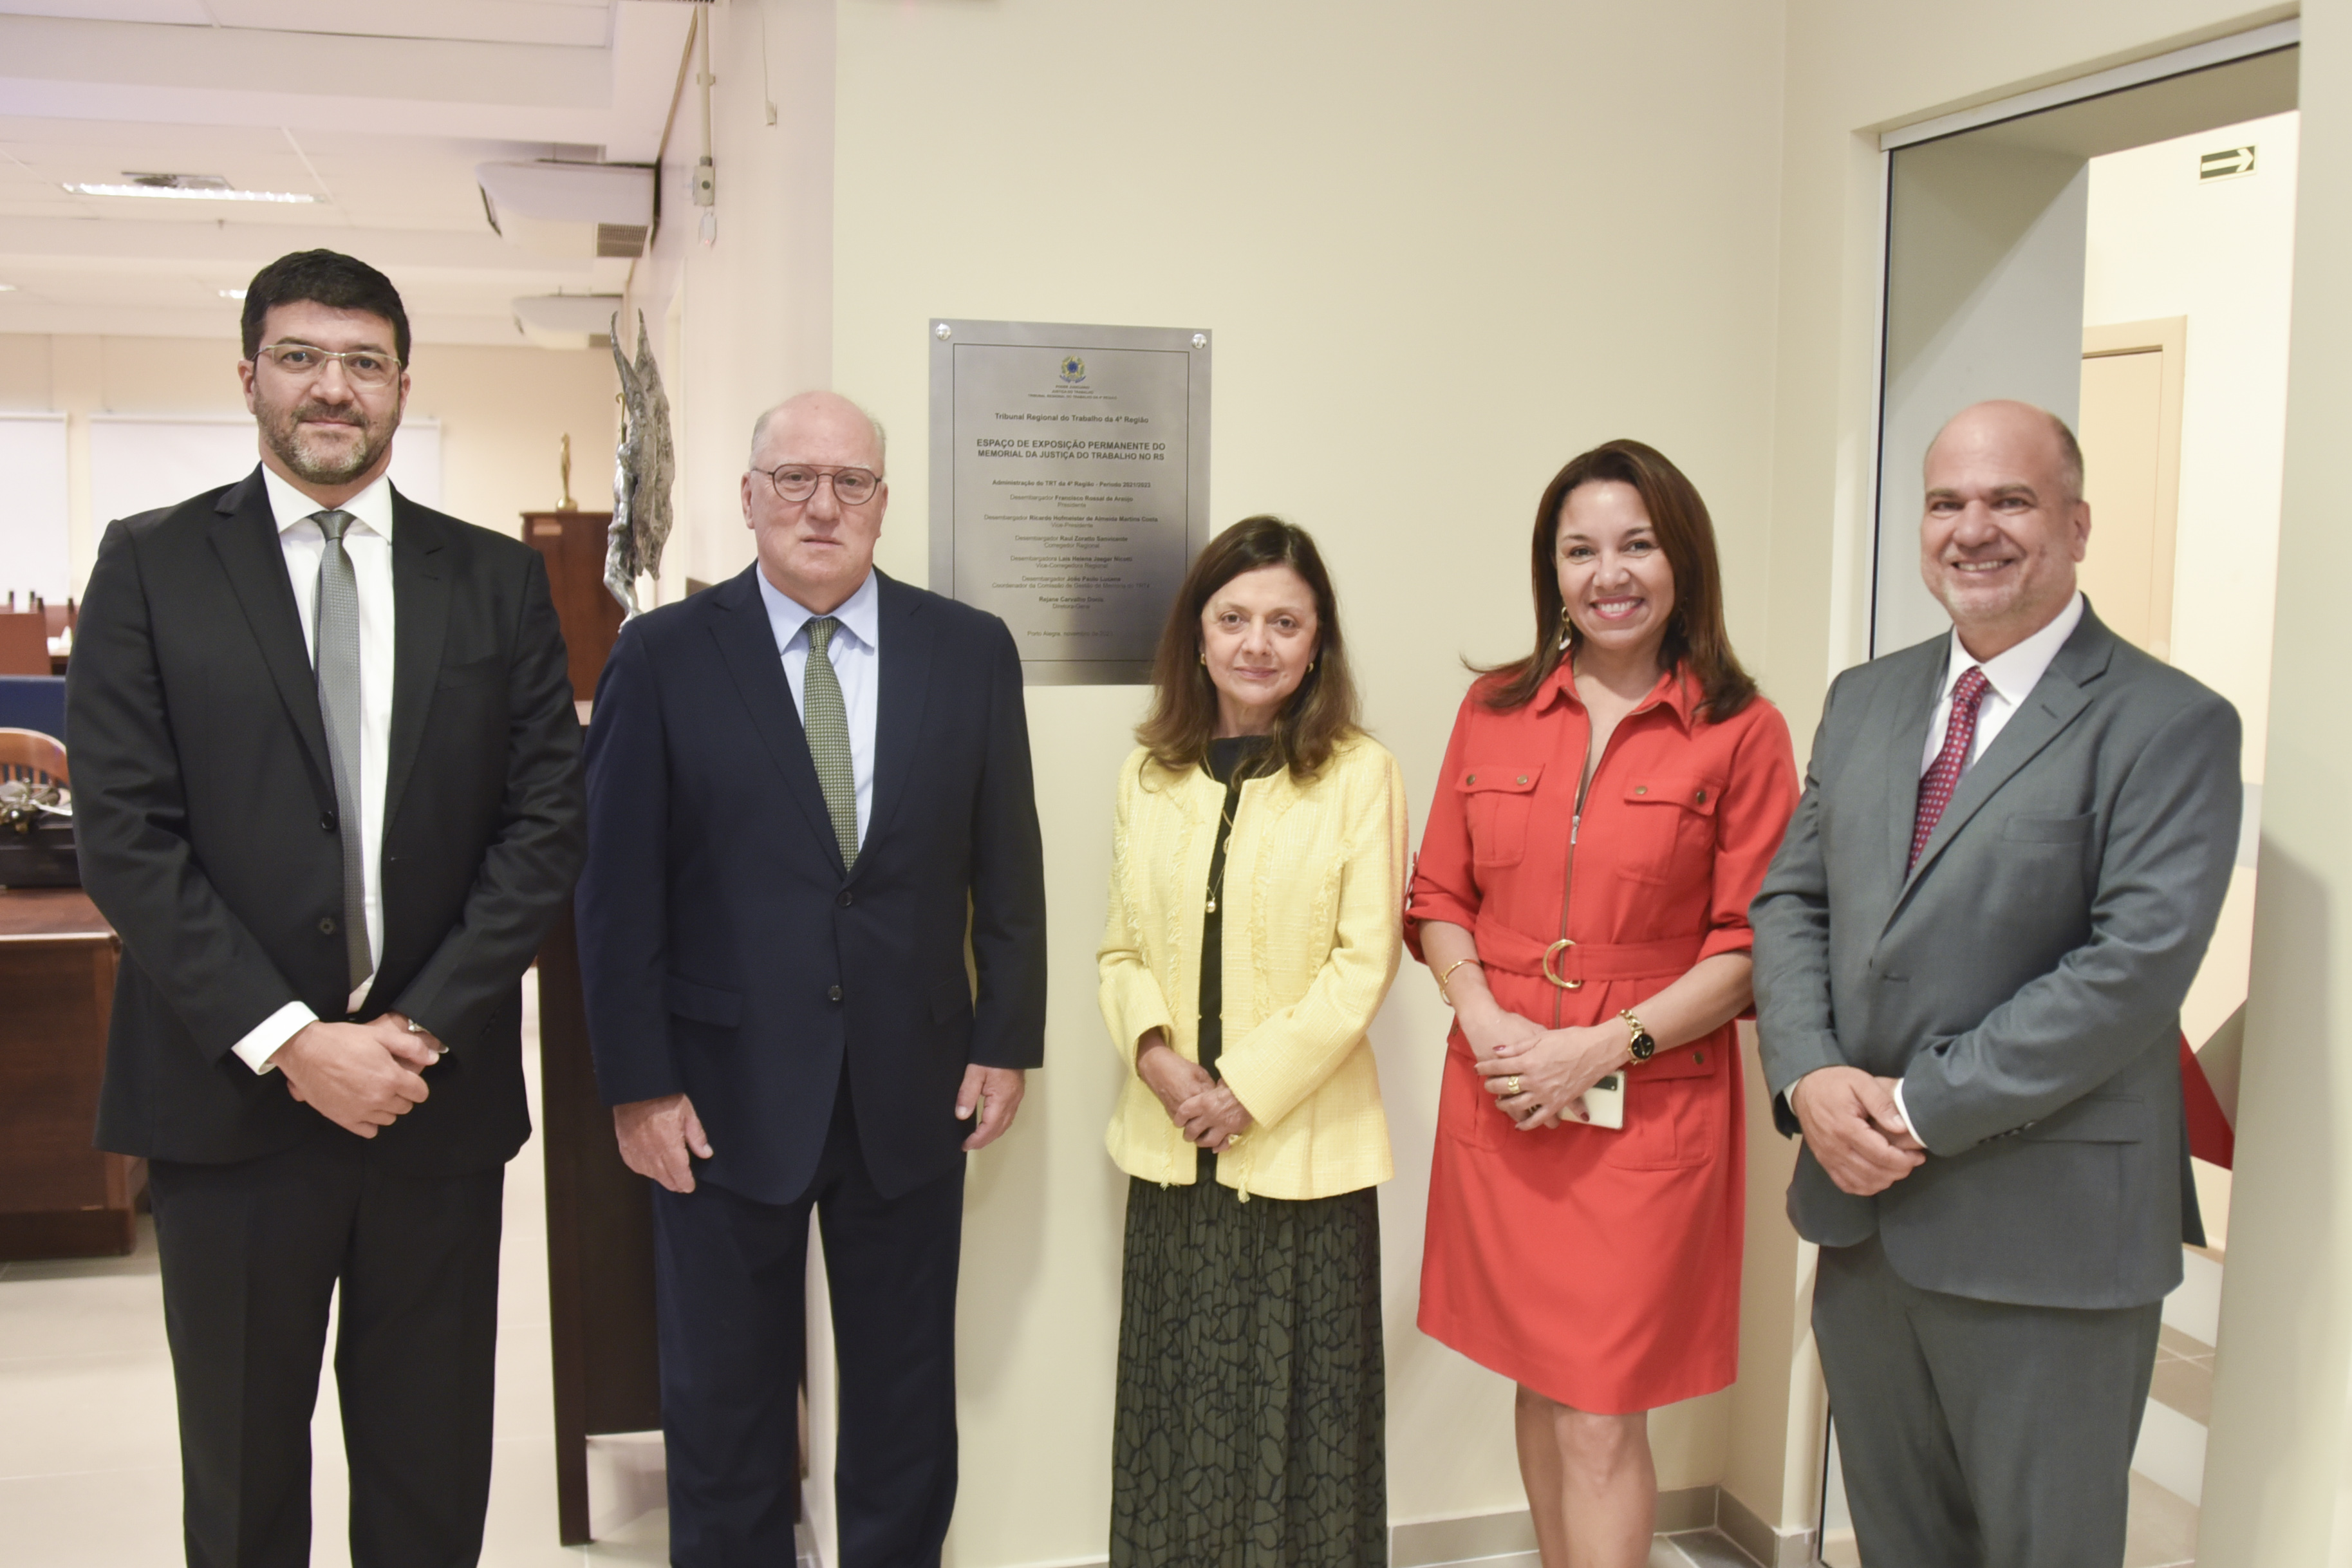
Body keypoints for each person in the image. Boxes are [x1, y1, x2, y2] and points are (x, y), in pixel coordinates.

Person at [67, 248, 586, 1567]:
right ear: (249, 376)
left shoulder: (493, 579)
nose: (332, 389)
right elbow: (126, 837)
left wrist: (411, 1030)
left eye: (362, 362)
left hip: (434, 1096)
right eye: (300, 357)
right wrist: (298, 1041)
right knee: (242, 1482)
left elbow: (543, 826)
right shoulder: (151, 565)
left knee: (429, 1473)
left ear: (403, 385)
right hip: (230, 1102)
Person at [1751, 400, 2241, 1567]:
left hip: (2049, 1241)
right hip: (1865, 1228)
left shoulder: (2167, 723)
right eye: (1945, 503)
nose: (1972, 529)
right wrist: (1811, 1073)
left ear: (2074, 524)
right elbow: (1790, 905)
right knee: (1901, 1543)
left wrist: (1910, 1109)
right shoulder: (1864, 701)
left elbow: (2124, 975)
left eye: (2008, 500)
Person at [575, 390, 1048, 1567]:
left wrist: (1006, 1038)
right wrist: (638, 1084)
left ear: (885, 502)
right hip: (720, 1096)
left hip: (913, 1087)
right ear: (747, 498)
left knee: (902, 1412)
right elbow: (613, 889)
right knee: (727, 1417)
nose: (821, 506)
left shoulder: (968, 650)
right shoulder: (666, 656)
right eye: (794, 479)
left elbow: (1009, 863)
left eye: (851, 482)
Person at [1408, 440, 1797, 1568]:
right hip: (1505, 1084)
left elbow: (1751, 945)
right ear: (1551, 570)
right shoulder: (1494, 707)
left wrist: (1602, 1047)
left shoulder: (1740, 729)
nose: (1606, 573)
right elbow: (1438, 895)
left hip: (1647, 1099)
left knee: (1599, 1406)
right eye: (1579, 550)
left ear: (1682, 560)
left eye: (1635, 544)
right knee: (1536, 1378)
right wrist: (1481, 1019)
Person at [1096, 516, 1406, 1567]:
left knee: (1302, 1420)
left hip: (1304, 1159)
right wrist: (1157, 1058)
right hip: (1172, 1153)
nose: (1257, 643)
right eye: (1233, 619)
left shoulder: (1359, 774)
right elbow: (1119, 949)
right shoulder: (1152, 775)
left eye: (1284, 621)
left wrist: (1242, 1089)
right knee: (1176, 1412)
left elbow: (1363, 964)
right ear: (1197, 634)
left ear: (1317, 643)